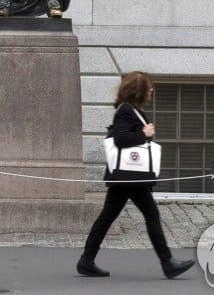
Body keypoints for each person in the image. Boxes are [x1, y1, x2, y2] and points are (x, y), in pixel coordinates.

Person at [77, 71, 196, 279]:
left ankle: (86, 260)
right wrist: (145, 134)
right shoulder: (125, 111)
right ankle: (168, 263)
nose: (152, 90)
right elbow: (121, 139)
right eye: (149, 86)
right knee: (150, 214)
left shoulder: (131, 110)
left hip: (126, 176)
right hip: (130, 176)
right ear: (139, 91)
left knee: (108, 216)